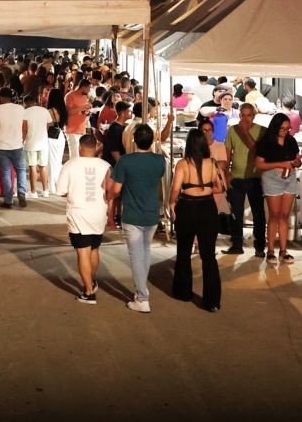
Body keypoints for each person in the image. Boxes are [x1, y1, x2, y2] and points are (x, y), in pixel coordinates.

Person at [109, 124, 167, 313]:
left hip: (132, 214)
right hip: (151, 214)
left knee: (136, 256)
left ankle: (142, 297)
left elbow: (116, 190)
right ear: (152, 140)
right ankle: (142, 292)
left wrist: (108, 196)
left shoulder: (125, 161)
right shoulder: (160, 161)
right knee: (145, 251)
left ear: (133, 139)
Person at [169, 128, 223, 312]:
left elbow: (176, 188)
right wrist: (205, 188)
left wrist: (171, 203)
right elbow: (220, 187)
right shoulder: (212, 163)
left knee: (183, 251)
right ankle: (212, 301)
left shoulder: (182, 164)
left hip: (187, 206)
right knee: (209, 255)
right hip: (207, 207)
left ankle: (183, 292)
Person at [55, 134, 111, 304]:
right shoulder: (106, 165)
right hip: (99, 213)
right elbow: (110, 190)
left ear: (80, 147)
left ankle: (88, 292)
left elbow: (61, 190)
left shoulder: (71, 164)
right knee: (94, 249)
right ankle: (92, 282)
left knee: (82, 252)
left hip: (79, 214)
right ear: (96, 147)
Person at [254, 112, 301, 263]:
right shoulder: (265, 142)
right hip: (272, 177)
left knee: (284, 215)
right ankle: (270, 250)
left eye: (288, 128)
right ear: (275, 127)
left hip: (290, 176)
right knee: (274, 215)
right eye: (282, 128)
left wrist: (296, 163)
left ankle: (283, 250)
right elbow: (259, 164)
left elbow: (296, 160)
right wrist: (281, 164)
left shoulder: (291, 141)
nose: (285, 131)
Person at [223, 103, 267, 256]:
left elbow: (258, 150)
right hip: (236, 177)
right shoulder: (232, 130)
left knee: (258, 214)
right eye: (243, 115)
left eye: (249, 115)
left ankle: (260, 246)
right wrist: (226, 173)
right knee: (236, 213)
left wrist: (245, 132)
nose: (245, 118)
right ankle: (236, 244)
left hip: (255, 178)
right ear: (239, 115)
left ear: (254, 116)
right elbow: (227, 153)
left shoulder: (262, 130)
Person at [0, 88, 29, 209]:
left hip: (2, 146)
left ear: (1, 97)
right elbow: (25, 126)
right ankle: (22, 193)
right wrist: (22, 139)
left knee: (6, 173)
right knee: (21, 170)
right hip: (17, 145)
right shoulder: (20, 108)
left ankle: (8, 200)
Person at [23, 94, 53, 198]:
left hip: (30, 143)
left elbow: (24, 129)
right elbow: (51, 123)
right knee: (43, 166)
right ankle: (45, 190)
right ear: (35, 101)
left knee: (32, 167)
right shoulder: (44, 110)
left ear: (25, 103)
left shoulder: (25, 112)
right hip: (43, 143)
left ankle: (33, 191)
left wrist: (22, 141)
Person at [64, 78, 93, 159]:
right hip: (72, 129)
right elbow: (69, 112)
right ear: (83, 87)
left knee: (80, 156)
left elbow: (81, 111)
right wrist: (83, 107)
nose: (89, 90)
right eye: (89, 88)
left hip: (81, 129)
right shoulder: (70, 96)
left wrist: (87, 113)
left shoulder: (84, 97)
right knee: (74, 156)